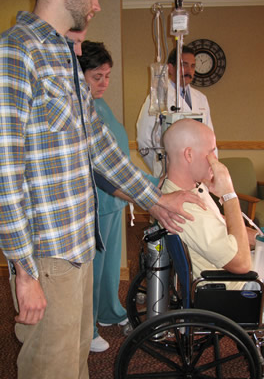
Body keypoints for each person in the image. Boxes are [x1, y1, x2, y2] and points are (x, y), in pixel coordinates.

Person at [0, 0, 205, 378]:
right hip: (47, 255)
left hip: (80, 245)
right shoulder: (16, 51)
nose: (96, 4)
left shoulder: (63, 57)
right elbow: (5, 172)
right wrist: (23, 272)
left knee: (76, 361)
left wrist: (156, 199)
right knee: (50, 367)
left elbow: (103, 149)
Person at [162, 119, 264, 325]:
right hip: (237, 289)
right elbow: (242, 265)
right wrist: (229, 194)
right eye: (211, 152)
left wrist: (257, 237)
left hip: (243, 272)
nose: (217, 160)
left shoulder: (190, 190)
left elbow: (221, 223)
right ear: (189, 154)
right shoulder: (185, 208)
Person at [76, 40, 160, 352]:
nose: (104, 83)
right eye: (97, 76)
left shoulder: (102, 105)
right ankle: (88, 326)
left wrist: (151, 182)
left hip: (114, 202)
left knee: (111, 265)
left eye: (108, 76)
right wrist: (150, 190)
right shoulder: (80, 109)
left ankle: (109, 311)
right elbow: (100, 168)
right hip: (95, 201)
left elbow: (119, 158)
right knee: (93, 268)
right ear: (79, 73)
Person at [136, 45, 216, 177]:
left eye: (192, 66)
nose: (189, 70)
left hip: (199, 172)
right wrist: (160, 168)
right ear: (170, 68)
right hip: (170, 172)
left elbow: (210, 138)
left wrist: (211, 169)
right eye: (184, 65)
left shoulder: (201, 98)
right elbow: (144, 139)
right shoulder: (158, 97)